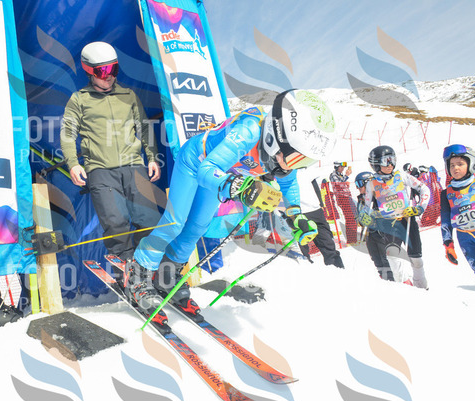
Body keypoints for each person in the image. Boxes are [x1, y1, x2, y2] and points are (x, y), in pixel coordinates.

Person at [125, 89, 337, 321]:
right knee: (175, 222)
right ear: (274, 137)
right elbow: (207, 169)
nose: (296, 166)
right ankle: (138, 275)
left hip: (223, 173)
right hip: (195, 163)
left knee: (197, 227)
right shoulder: (248, 132)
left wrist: (296, 216)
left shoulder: (284, 158)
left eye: (305, 161)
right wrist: (241, 188)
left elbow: (289, 185)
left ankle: (168, 277)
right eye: (297, 158)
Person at [60, 41, 161, 264]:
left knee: (149, 220)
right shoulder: (79, 100)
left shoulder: (128, 95)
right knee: (116, 224)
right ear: (89, 71)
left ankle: (148, 268)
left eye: (113, 69)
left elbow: (144, 127)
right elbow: (67, 133)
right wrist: (73, 163)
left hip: (133, 165)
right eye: (102, 71)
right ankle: (126, 271)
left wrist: (152, 157)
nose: (109, 76)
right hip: (100, 170)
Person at [358, 145, 430, 289]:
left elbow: (424, 188)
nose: (390, 164)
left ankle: (421, 285)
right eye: (386, 161)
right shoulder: (372, 184)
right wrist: (364, 218)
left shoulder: (401, 176)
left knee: (416, 258)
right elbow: (366, 207)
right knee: (393, 258)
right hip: (388, 224)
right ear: (376, 164)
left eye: (392, 160)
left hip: (406, 220)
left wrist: (419, 207)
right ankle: (404, 285)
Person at [440, 144, 475, 312]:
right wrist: (448, 244)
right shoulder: (446, 193)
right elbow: (445, 220)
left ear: (471, 164)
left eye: (460, 164)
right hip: (464, 238)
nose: (455, 168)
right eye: (452, 165)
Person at [355, 170, 395, 281]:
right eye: (356, 185)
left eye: (359, 184)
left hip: (382, 232)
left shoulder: (380, 195)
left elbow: (389, 211)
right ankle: (385, 279)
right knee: (376, 258)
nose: (358, 188)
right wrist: (362, 220)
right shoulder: (361, 199)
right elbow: (359, 216)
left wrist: (374, 215)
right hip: (370, 234)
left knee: (385, 258)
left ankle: (393, 281)